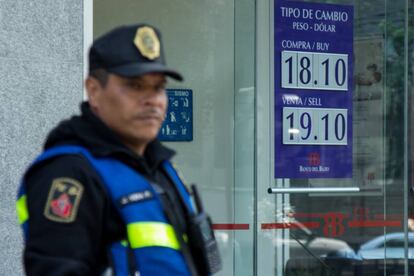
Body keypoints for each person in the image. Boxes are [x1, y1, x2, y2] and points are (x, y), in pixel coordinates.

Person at [16, 24, 220, 276]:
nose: (153, 100)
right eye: (135, 86)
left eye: (158, 87)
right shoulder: (69, 173)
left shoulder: (159, 166)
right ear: (93, 91)